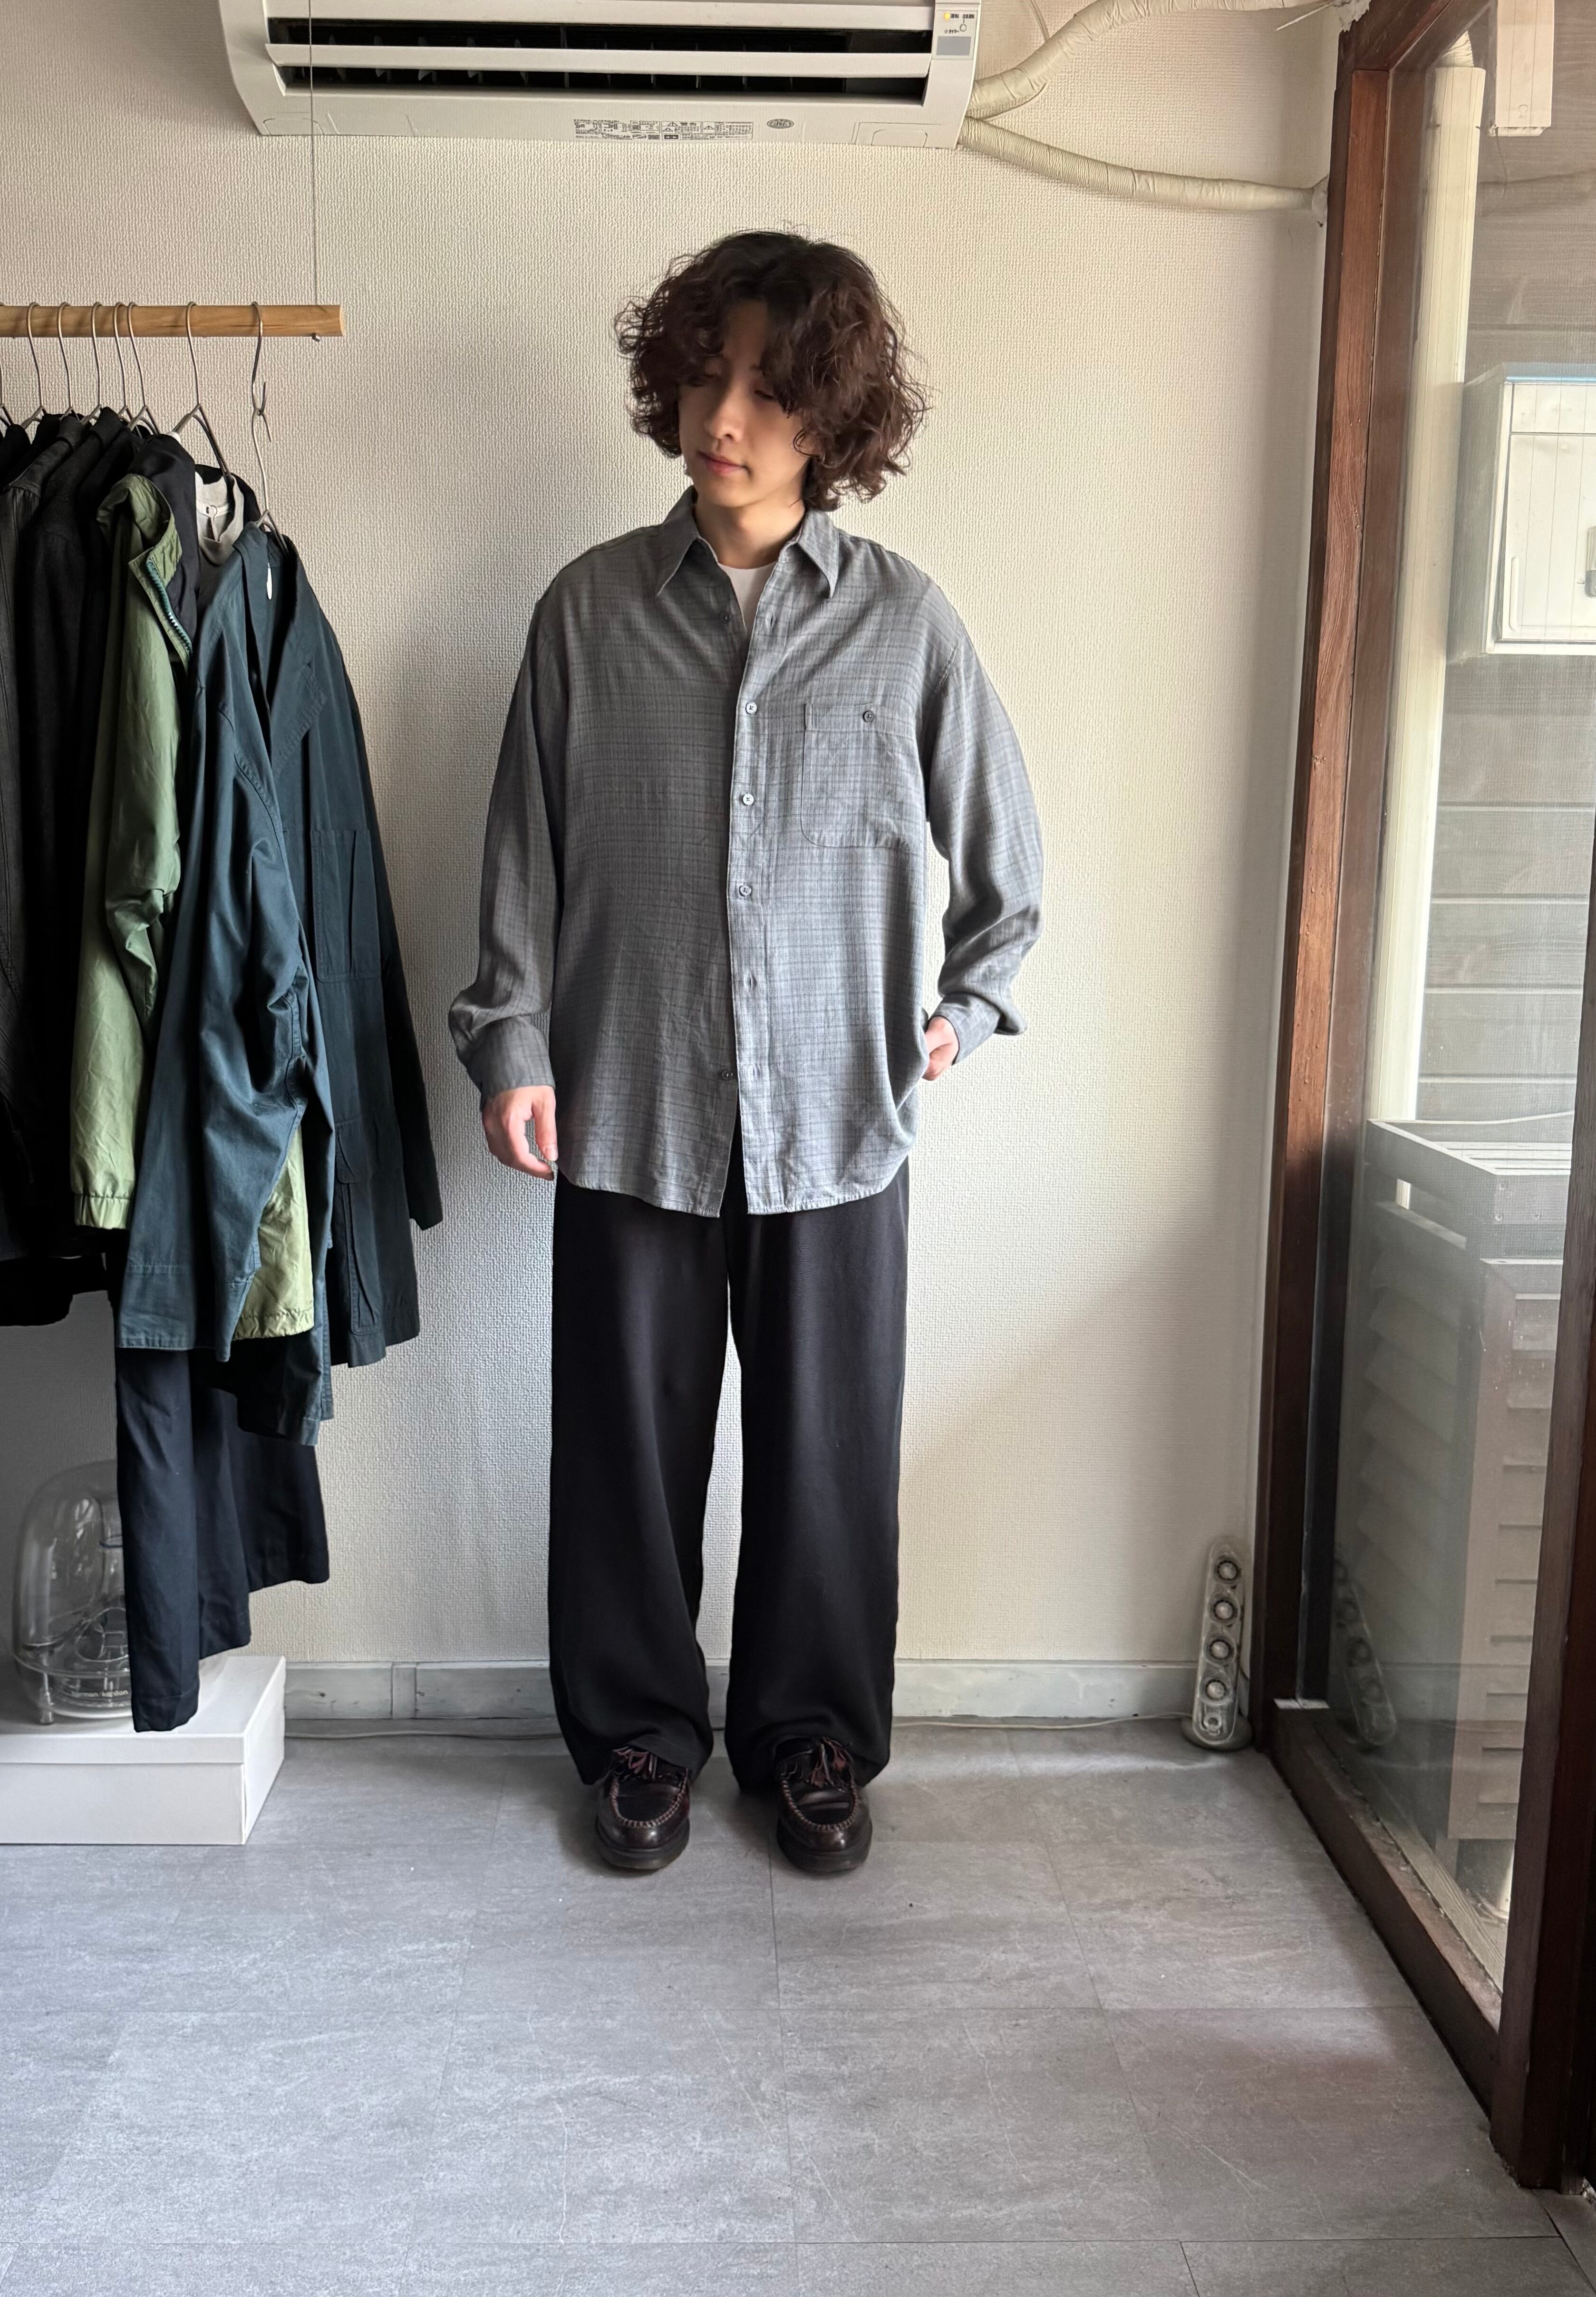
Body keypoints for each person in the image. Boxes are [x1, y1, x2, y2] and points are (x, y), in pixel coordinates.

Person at [451, 230, 1043, 1878]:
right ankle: (639, 1737)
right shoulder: (587, 614)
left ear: (830, 416)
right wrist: (510, 1041)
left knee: (828, 1460)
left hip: (839, 1120)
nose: (728, 418)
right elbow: (522, 856)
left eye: (773, 391)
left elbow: (1005, 868)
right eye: (709, 375)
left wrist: (966, 1008)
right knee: (624, 1458)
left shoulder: (905, 626)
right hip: (628, 1106)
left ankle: (813, 1739)